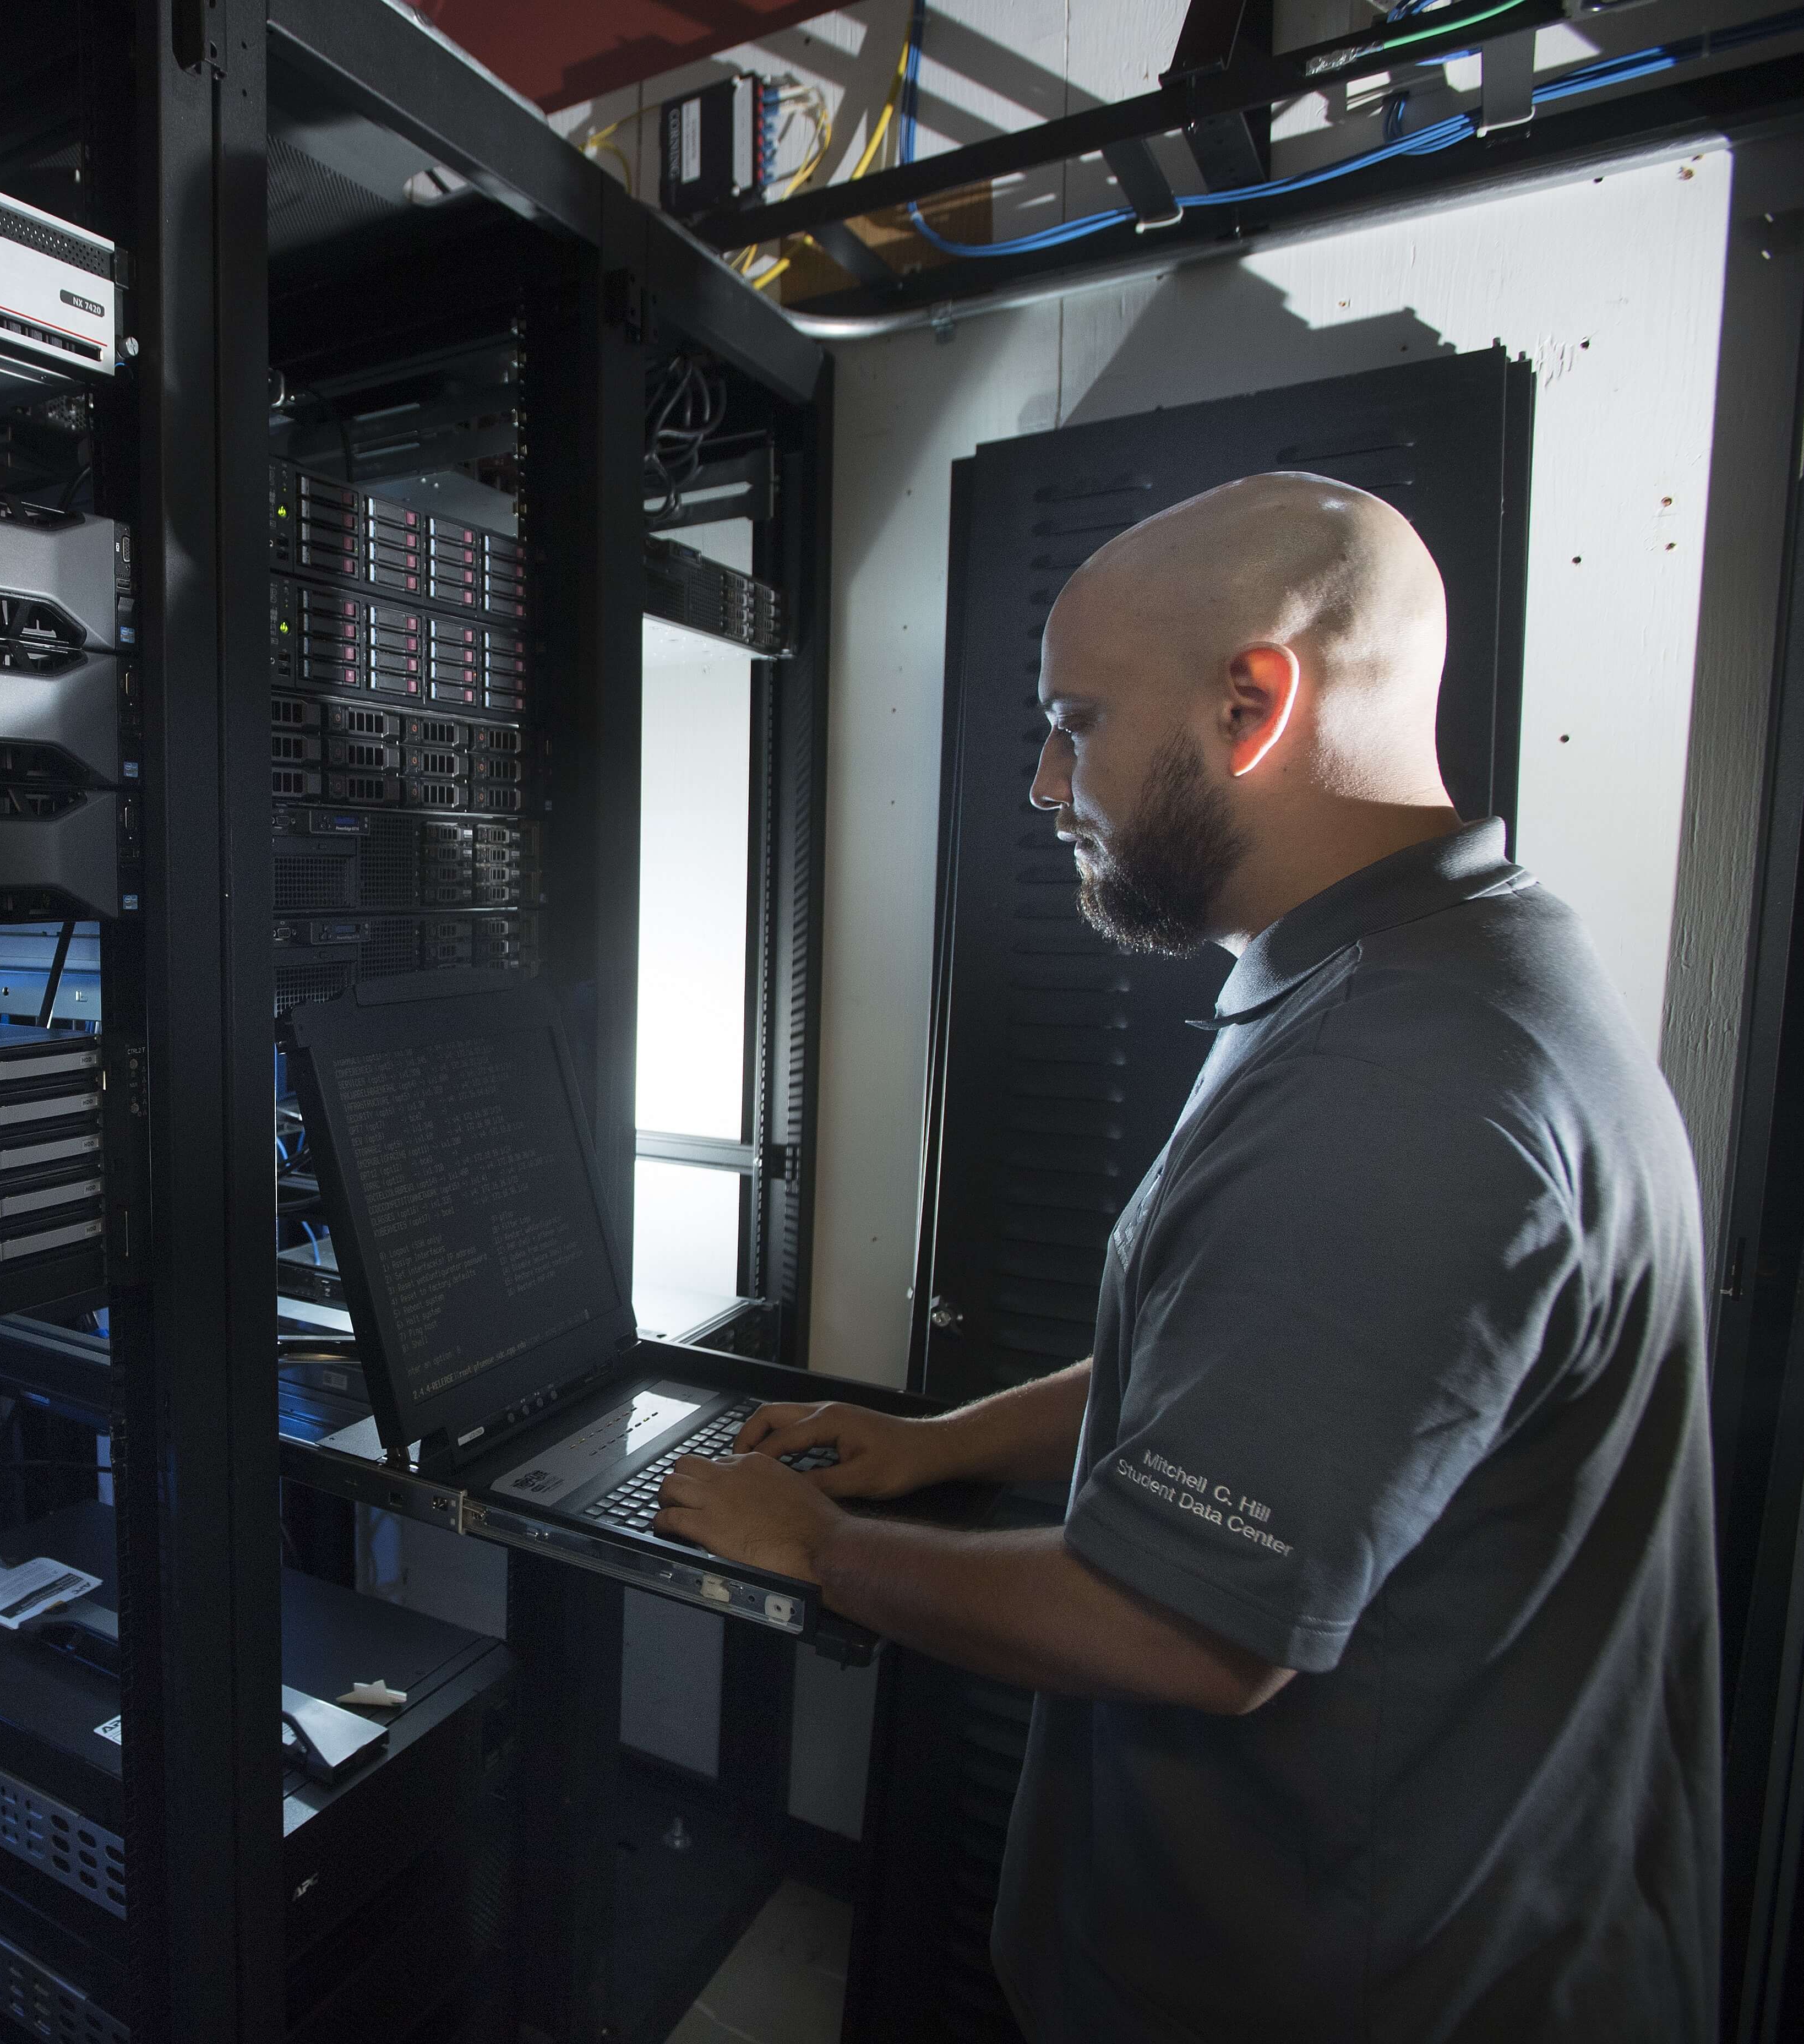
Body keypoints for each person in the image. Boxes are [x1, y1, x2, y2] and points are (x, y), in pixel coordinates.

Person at [656, 472, 1720, 2040]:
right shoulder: (1435, 969)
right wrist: (938, 1444)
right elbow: (1248, 1357)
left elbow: (1183, 1628)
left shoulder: (1397, 1093)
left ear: (1252, 702)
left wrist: (814, 1548)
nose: (1041, 784)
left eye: (1075, 722)